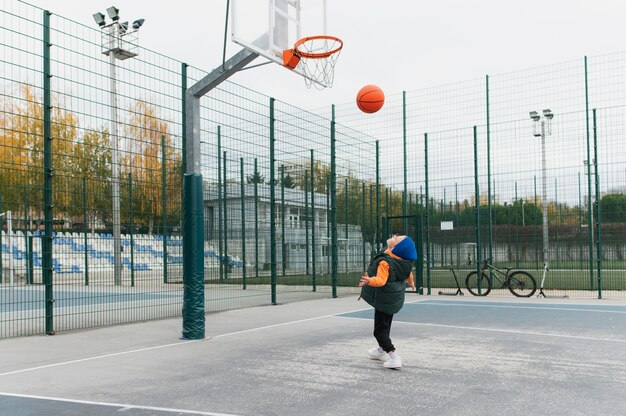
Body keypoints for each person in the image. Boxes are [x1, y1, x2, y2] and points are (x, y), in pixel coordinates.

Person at [358, 234, 417, 369]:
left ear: (395, 247)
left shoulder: (386, 262)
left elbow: (381, 280)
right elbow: (409, 274)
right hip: (392, 300)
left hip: (384, 299)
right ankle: (380, 350)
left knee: (379, 331)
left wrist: (369, 281)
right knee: (386, 326)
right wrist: (412, 283)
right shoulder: (403, 262)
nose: (394, 236)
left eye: (396, 238)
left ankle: (393, 356)